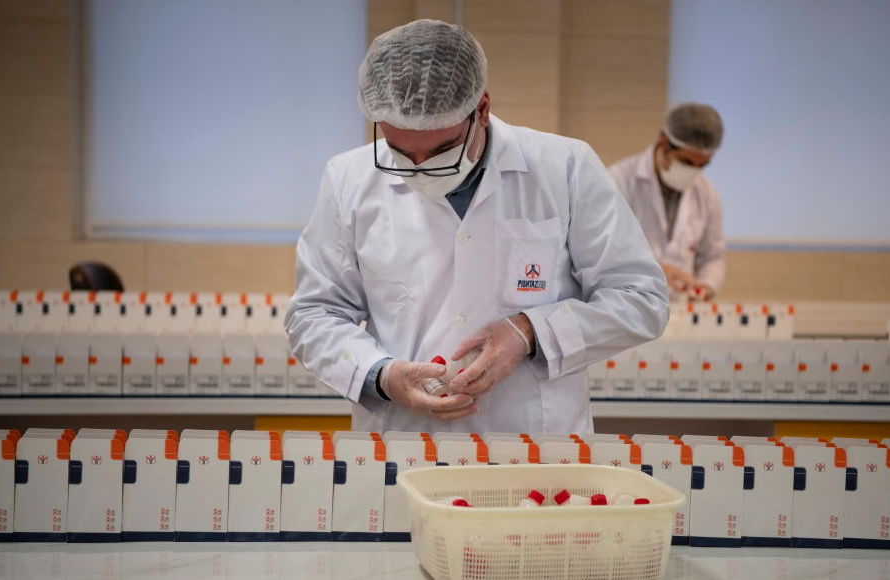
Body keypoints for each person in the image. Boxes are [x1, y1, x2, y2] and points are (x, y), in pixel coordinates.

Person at [285, 19, 669, 434]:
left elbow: (641, 299)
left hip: (533, 444)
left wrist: (529, 333)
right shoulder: (349, 178)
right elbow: (314, 313)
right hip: (405, 442)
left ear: (482, 109)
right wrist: (380, 375)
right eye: (399, 152)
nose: (419, 167)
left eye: (440, 150)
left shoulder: (565, 167)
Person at [608, 103, 726, 302]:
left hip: (679, 311)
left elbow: (712, 256)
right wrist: (658, 269)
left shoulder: (706, 194)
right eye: (687, 162)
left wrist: (706, 285)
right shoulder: (618, 181)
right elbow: (602, 252)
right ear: (664, 141)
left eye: (702, 165)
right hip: (625, 307)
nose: (693, 172)